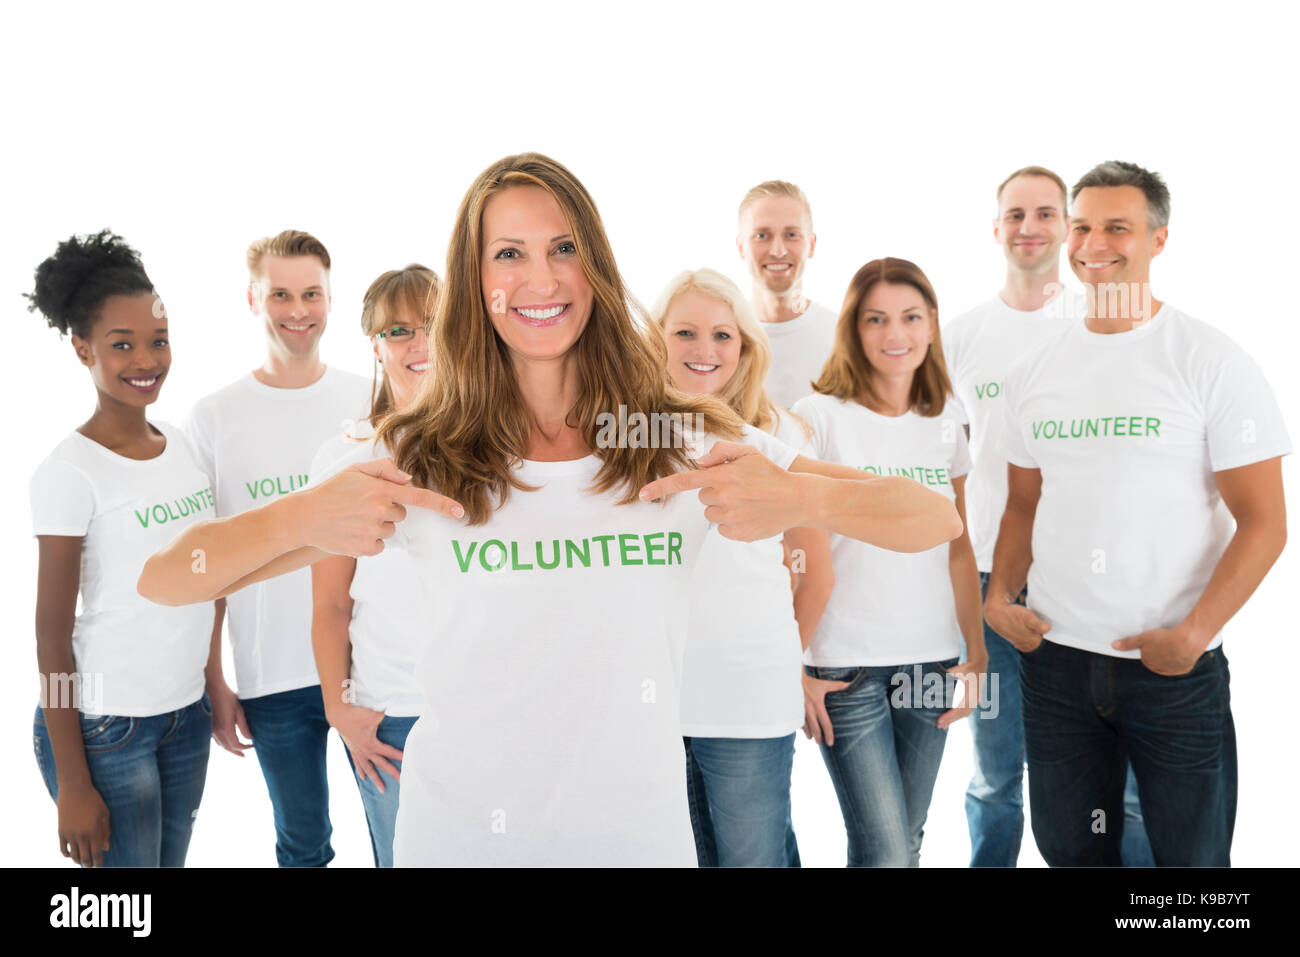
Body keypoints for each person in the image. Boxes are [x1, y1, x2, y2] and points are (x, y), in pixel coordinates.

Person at [138, 153, 961, 867]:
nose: (539, 279)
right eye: (509, 253)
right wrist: (304, 518)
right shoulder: (415, 455)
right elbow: (170, 577)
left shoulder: (675, 439)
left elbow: (933, 519)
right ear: (475, 280)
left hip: (637, 842)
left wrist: (800, 496)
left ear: (595, 268)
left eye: (563, 248)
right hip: (458, 839)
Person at [985, 161, 1289, 866]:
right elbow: (1023, 503)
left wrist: (1194, 634)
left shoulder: (1209, 360)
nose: (1095, 242)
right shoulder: (1037, 370)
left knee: (1191, 869)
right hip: (1055, 666)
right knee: (1070, 850)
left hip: (1173, 673)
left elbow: (1266, 521)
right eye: (1083, 225)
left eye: (1117, 226)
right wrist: (999, 595)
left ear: (1158, 240)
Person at [944, 165, 1153, 867]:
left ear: (1067, 229)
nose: (1028, 228)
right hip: (989, 583)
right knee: (997, 770)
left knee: (1114, 776)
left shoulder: (1102, 325)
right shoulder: (963, 335)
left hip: (1082, 585)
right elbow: (946, 458)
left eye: (1044, 214)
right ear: (995, 228)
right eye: (1014, 214)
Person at [183, 230, 371, 867]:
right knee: (302, 847)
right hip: (273, 679)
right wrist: (215, 678)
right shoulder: (214, 417)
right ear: (252, 298)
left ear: (330, 298)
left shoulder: (369, 397)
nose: (299, 310)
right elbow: (205, 561)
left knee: (403, 838)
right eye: (282, 294)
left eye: (312, 293)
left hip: (367, 666)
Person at [27, 230, 215, 867]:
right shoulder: (69, 471)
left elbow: (207, 576)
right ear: (82, 349)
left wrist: (214, 686)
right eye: (122, 344)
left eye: (158, 341)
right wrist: (75, 785)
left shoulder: (185, 446)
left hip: (185, 717)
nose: (147, 360)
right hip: (107, 729)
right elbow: (51, 638)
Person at [791, 257, 985, 867]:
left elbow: (958, 543)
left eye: (910, 317)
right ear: (853, 329)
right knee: (884, 848)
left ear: (931, 327)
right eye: (875, 319)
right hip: (846, 666)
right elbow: (795, 551)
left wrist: (976, 653)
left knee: (908, 837)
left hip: (931, 657)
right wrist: (791, 663)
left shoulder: (947, 419)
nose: (894, 334)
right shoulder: (817, 417)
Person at [651, 267, 833, 867]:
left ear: (744, 347)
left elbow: (816, 573)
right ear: (655, 340)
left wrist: (783, 666)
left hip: (747, 696)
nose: (705, 350)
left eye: (723, 335)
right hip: (653, 699)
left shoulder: (777, 435)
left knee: (753, 858)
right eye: (685, 333)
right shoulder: (625, 438)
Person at [307, 264, 439, 867]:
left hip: (487, 702)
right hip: (392, 714)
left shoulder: (504, 441)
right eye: (399, 331)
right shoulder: (344, 457)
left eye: (435, 325)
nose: (420, 344)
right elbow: (333, 603)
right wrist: (340, 709)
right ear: (375, 344)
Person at [737, 180, 837, 409]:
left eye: (792, 234)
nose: (778, 250)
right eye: (762, 236)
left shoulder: (842, 337)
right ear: (741, 246)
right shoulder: (721, 337)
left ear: (811, 244)